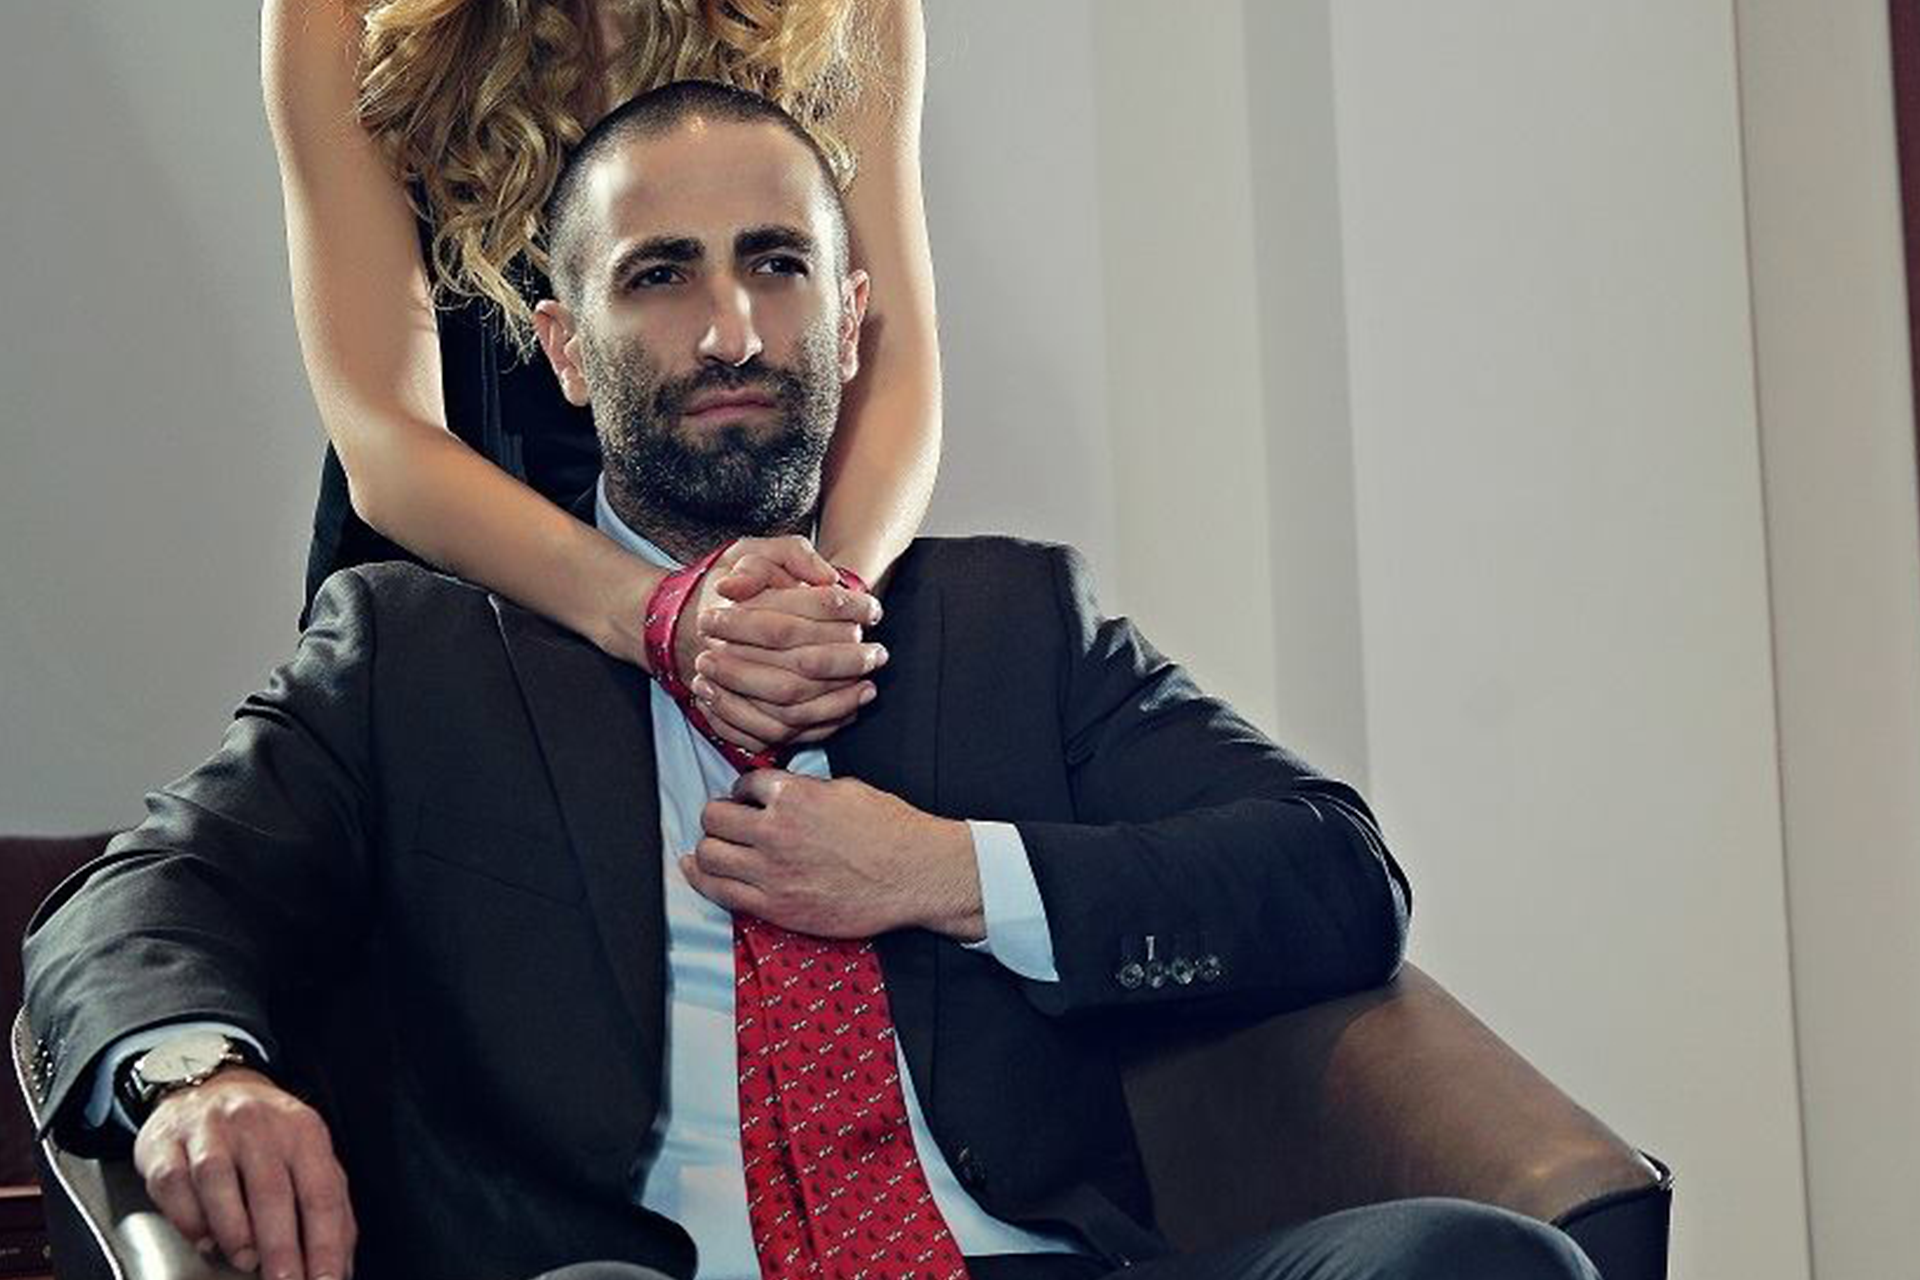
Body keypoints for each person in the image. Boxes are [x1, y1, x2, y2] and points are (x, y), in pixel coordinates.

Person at [24, 83, 1596, 1280]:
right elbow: (137, 901)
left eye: (776, 266)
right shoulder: (415, 657)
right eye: (659, 277)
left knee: (1475, 1260)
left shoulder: (1010, 627)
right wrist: (198, 1077)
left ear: (848, 319)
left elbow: (1332, 876)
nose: (730, 331)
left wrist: (946, 872)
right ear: (562, 349)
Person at [263, 0, 942, 757]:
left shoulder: (844, 11)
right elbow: (384, 440)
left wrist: (824, 615)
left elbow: (889, 362)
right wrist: (658, 613)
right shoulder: (337, 13)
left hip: (741, 615)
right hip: (443, 603)